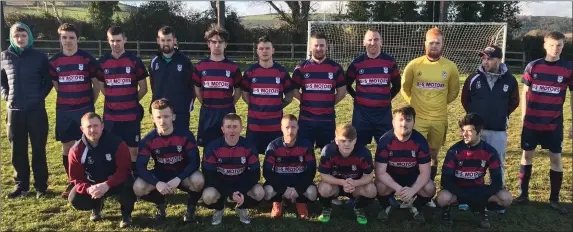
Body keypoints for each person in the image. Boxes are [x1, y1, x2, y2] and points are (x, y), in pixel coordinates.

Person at [514, 31, 572, 215]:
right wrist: (524, 116)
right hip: (532, 122)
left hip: (554, 123)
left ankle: (554, 199)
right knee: (527, 155)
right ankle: (523, 194)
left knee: (556, 158)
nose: (556, 49)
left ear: (563, 46)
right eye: (552, 45)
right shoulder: (533, 66)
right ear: (545, 45)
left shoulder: (568, 68)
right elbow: (525, 92)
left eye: (560, 45)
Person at [400, 27, 460, 205]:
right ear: (425, 43)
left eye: (438, 43)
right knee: (414, 154)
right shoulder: (414, 65)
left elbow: (453, 92)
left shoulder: (450, 67)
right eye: (431, 42)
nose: (434, 46)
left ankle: (427, 193)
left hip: (439, 118)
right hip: (418, 118)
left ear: (443, 44)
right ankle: (410, 190)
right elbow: (405, 88)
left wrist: (437, 105)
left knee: (433, 154)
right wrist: (417, 104)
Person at [49, 23, 102, 198]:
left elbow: (97, 84)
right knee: (67, 147)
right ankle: (73, 180)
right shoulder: (54, 61)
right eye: (64, 37)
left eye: (71, 37)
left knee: (88, 144)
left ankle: (90, 177)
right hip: (64, 111)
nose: (68, 41)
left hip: (84, 109)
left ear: (77, 39)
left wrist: (89, 103)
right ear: (60, 39)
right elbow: (57, 85)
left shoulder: (87, 59)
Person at [1, 22, 53, 199]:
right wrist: (6, 95)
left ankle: (41, 186)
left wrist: (39, 97)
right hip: (14, 111)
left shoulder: (40, 56)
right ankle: (21, 186)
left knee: (38, 148)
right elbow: (2, 81)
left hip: (36, 111)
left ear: (29, 37)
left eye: (23, 36)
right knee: (17, 150)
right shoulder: (4, 56)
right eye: (17, 36)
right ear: (12, 37)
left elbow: (48, 81)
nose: (20, 39)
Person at [133, 99, 204, 223]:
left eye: (166, 116)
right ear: (152, 118)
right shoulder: (148, 139)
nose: (162, 121)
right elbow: (140, 167)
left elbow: (195, 162)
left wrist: (179, 178)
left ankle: (191, 209)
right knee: (138, 187)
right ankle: (160, 203)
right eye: (158, 117)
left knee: (198, 180)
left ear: (173, 117)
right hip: (161, 174)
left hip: (182, 173)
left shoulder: (185, 135)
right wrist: (157, 183)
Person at [436, 113, 512, 229]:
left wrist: (484, 196)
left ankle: (483, 210)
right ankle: (452, 210)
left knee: (506, 198)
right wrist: (464, 196)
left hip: (479, 190)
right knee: (442, 198)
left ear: (480, 132)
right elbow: (445, 180)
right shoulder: (454, 151)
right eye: (462, 130)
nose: (464, 134)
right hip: (459, 191)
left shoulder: (490, 151)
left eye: (469, 131)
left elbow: (497, 181)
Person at [461, 45, 519, 187]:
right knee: (471, 161)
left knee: (497, 162)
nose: (485, 62)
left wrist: (499, 114)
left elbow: (514, 102)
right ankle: (469, 192)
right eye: (484, 58)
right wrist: (475, 117)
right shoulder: (473, 78)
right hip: (475, 130)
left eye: (490, 59)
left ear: (500, 59)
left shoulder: (510, 81)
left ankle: (496, 193)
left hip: (497, 129)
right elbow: (465, 100)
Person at [67, 112, 136, 228]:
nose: (93, 130)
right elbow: (76, 178)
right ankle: (96, 207)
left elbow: (124, 170)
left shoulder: (117, 143)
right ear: (82, 129)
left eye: (95, 126)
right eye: (89, 127)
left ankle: (126, 215)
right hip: (93, 185)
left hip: (115, 182)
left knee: (129, 183)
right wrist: (89, 189)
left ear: (102, 126)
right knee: (74, 198)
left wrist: (108, 184)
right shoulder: (76, 150)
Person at [96, 26, 148, 174]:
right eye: (112, 41)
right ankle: (116, 179)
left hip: (131, 115)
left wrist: (130, 101)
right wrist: (115, 100)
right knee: (112, 148)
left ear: (125, 40)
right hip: (111, 116)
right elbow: (102, 88)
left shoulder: (134, 61)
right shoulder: (102, 62)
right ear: (108, 41)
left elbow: (144, 88)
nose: (115, 44)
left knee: (133, 150)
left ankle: (134, 178)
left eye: (118, 40)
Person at [201, 113, 265, 225]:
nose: (232, 130)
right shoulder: (213, 147)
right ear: (222, 129)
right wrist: (230, 193)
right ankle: (220, 208)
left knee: (259, 192)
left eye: (235, 127)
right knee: (208, 196)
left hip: (241, 183)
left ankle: (241, 207)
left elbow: (255, 174)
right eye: (228, 127)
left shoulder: (249, 146)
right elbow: (209, 175)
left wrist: (241, 191)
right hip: (220, 183)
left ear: (241, 128)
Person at [375, 106, 435, 223]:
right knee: (379, 186)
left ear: (414, 123)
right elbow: (380, 172)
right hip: (392, 178)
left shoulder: (420, 141)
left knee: (430, 188)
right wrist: (397, 188)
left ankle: (416, 206)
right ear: (393, 122)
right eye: (400, 120)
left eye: (408, 120)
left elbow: (425, 173)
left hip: (413, 177)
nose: (404, 124)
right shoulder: (385, 141)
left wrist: (412, 190)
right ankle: (386, 206)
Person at [346, 28, 401, 147]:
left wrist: (386, 98)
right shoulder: (356, 63)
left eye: (376, 39)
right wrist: (356, 97)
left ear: (381, 42)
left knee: (386, 146)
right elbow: (347, 84)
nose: (373, 42)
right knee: (358, 147)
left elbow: (397, 86)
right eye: (369, 40)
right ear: (364, 43)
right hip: (362, 113)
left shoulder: (390, 62)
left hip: (383, 113)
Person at [291, 32, 346, 149]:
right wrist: (306, 102)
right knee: (304, 152)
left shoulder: (335, 68)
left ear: (327, 47)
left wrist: (329, 103)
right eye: (316, 45)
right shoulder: (301, 68)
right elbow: (294, 91)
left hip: (327, 120)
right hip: (306, 120)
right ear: (310, 47)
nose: (319, 48)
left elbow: (342, 92)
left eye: (322, 45)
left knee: (328, 153)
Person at [241, 35, 294, 154]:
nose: (264, 51)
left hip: (275, 126)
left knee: (274, 156)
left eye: (267, 48)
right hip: (255, 126)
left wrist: (278, 106)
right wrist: (255, 105)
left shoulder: (281, 71)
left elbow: (289, 95)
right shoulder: (250, 72)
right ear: (257, 51)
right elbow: (244, 93)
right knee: (252, 156)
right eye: (261, 48)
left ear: (273, 50)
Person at [317, 123, 377, 225]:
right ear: (336, 140)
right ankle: (327, 207)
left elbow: (369, 175)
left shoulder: (364, 152)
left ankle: (358, 207)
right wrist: (342, 182)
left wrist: (355, 183)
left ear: (355, 140)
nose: (346, 144)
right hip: (335, 185)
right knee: (323, 188)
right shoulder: (328, 150)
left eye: (350, 141)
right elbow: (324, 175)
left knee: (371, 190)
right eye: (343, 140)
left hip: (355, 186)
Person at [192, 25, 242, 148]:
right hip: (208, 111)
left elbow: (238, 89)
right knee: (208, 147)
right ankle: (208, 168)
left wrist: (230, 104)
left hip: (226, 111)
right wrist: (204, 102)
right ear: (208, 44)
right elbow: (197, 88)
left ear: (226, 44)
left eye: (220, 42)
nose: (217, 45)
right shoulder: (200, 67)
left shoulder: (233, 67)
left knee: (228, 145)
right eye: (213, 42)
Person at [263, 114, 317, 219]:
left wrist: (298, 189)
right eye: (287, 127)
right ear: (281, 128)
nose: (290, 131)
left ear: (298, 128)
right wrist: (283, 189)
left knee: (313, 193)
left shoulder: (306, 145)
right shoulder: (273, 146)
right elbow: (267, 172)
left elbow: (311, 171)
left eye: (293, 127)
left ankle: (300, 202)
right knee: (266, 192)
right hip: (280, 181)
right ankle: (278, 201)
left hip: (298, 181)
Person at [149, 26, 195, 131]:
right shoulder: (154, 62)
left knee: (181, 143)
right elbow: (153, 85)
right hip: (160, 112)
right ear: (158, 40)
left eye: (169, 40)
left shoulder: (185, 61)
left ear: (174, 40)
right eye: (163, 40)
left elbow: (192, 86)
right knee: (161, 143)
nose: (166, 43)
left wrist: (187, 106)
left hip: (180, 111)